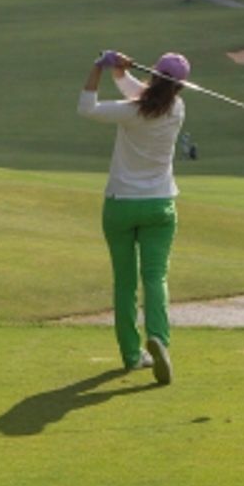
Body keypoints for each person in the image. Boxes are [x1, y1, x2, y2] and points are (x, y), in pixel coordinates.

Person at [79, 48, 187, 384]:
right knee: (155, 278)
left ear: (153, 75)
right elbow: (140, 92)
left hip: (121, 205)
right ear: (180, 87)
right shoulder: (178, 109)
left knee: (125, 282)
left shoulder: (130, 112)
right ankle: (160, 339)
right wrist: (119, 72)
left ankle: (131, 354)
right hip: (160, 206)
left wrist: (99, 66)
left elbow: (87, 108)